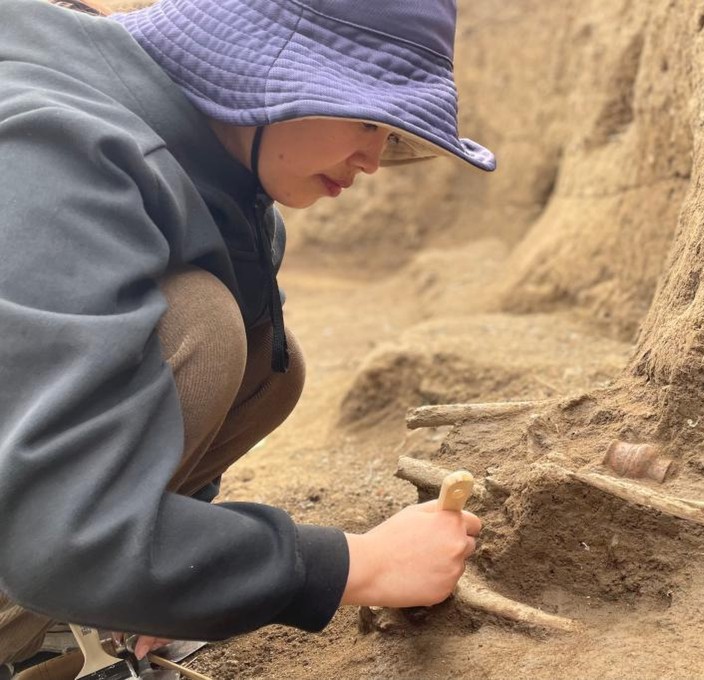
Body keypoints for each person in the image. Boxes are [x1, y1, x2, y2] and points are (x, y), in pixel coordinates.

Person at [0, 0, 495, 677]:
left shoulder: (220, 176)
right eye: (365, 116)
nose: (374, 159)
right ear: (270, 60)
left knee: (264, 360)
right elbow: (66, 535)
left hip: (38, 511)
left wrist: (169, 588)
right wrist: (356, 563)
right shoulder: (57, 154)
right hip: (45, 527)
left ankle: (76, 611)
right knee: (197, 324)